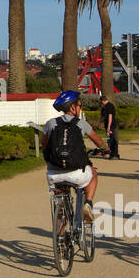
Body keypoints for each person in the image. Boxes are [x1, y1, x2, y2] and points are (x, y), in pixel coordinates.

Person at [42, 90, 107, 223]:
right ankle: (88, 203)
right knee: (93, 174)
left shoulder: (51, 123)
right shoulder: (81, 123)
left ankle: (59, 238)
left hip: (54, 174)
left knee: (59, 204)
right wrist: (105, 148)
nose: (80, 108)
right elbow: (99, 142)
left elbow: (44, 144)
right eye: (79, 105)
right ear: (73, 107)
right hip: (77, 173)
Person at [100, 93, 119, 159]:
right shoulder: (105, 107)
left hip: (111, 125)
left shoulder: (109, 106)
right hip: (108, 125)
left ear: (103, 101)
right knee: (110, 139)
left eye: (101, 102)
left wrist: (109, 126)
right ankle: (112, 153)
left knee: (112, 140)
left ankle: (115, 154)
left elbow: (110, 116)